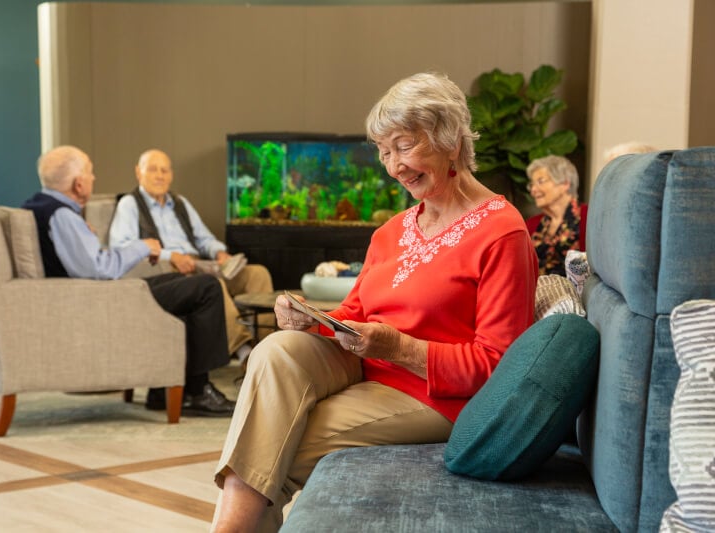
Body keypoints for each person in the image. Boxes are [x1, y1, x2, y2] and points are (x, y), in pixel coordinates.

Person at [209, 72, 539, 532]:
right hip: (362, 366)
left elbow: (500, 364)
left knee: (272, 448)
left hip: (434, 397)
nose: (393, 166)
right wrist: (310, 318)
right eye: (384, 152)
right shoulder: (392, 231)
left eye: (403, 146)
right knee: (274, 350)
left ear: (449, 138)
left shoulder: (501, 232)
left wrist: (400, 349)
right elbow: (355, 315)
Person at [22, 145, 235, 417]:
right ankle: (197, 390)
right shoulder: (62, 215)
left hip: (101, 293)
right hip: (105, 299)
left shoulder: (44, 207)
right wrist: (144, 246)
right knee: (205, 287)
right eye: (90, 173)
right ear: (77, 184)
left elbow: (89, 261)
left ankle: (163, 389)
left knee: (179, 282)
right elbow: (102, 269)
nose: (93, 178)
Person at [108, 149, 274, 363]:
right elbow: (122, 246)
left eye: (164, 170)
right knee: (212, 284)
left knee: (257, 274)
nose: (159, 175)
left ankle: (268, 350)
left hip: (201, 263)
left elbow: (204, 238)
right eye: (152, 169)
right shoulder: (129, 204)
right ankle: (245, 354)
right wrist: (171, 256)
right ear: (138, 172)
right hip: (170, 271)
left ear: (171, 174)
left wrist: (220, 252)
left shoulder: (180, 202)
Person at [525, 155, 587, 277]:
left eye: (540, 181)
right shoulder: (530, 225)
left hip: (578, 294)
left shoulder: (589, 217)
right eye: (532, 184)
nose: (533, 190)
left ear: (565, 184)